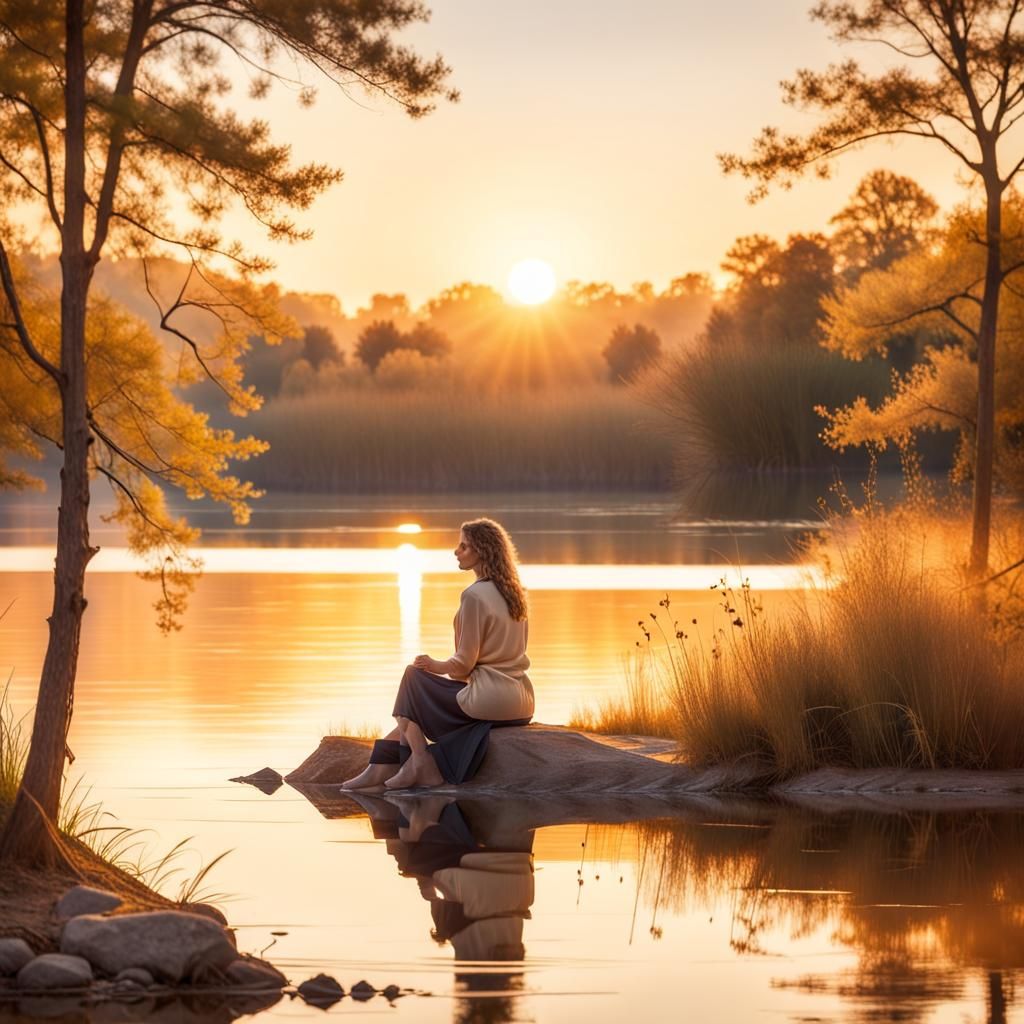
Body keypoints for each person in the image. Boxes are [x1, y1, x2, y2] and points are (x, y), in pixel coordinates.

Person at [341, 518, 534, 791]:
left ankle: (421, 763)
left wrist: (434, 665)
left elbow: (463, 666)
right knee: (410, 713)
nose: (456, 551)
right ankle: (379, 768)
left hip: (490, 702)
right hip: (522, 704)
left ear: (482, 551)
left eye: (463, 546)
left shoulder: (474, 596)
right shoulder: (516, 594)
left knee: (412, 679)